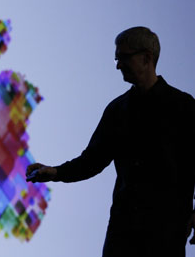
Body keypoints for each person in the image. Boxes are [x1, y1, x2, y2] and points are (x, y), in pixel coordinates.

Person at [26, 26, 195, 257]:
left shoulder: (183, 107)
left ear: (146, 58)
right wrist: (56, 172)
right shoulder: (117, 110)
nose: (117, 65)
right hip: (123, 231)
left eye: (123, 57)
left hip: (166, 233)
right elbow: (93, 160)